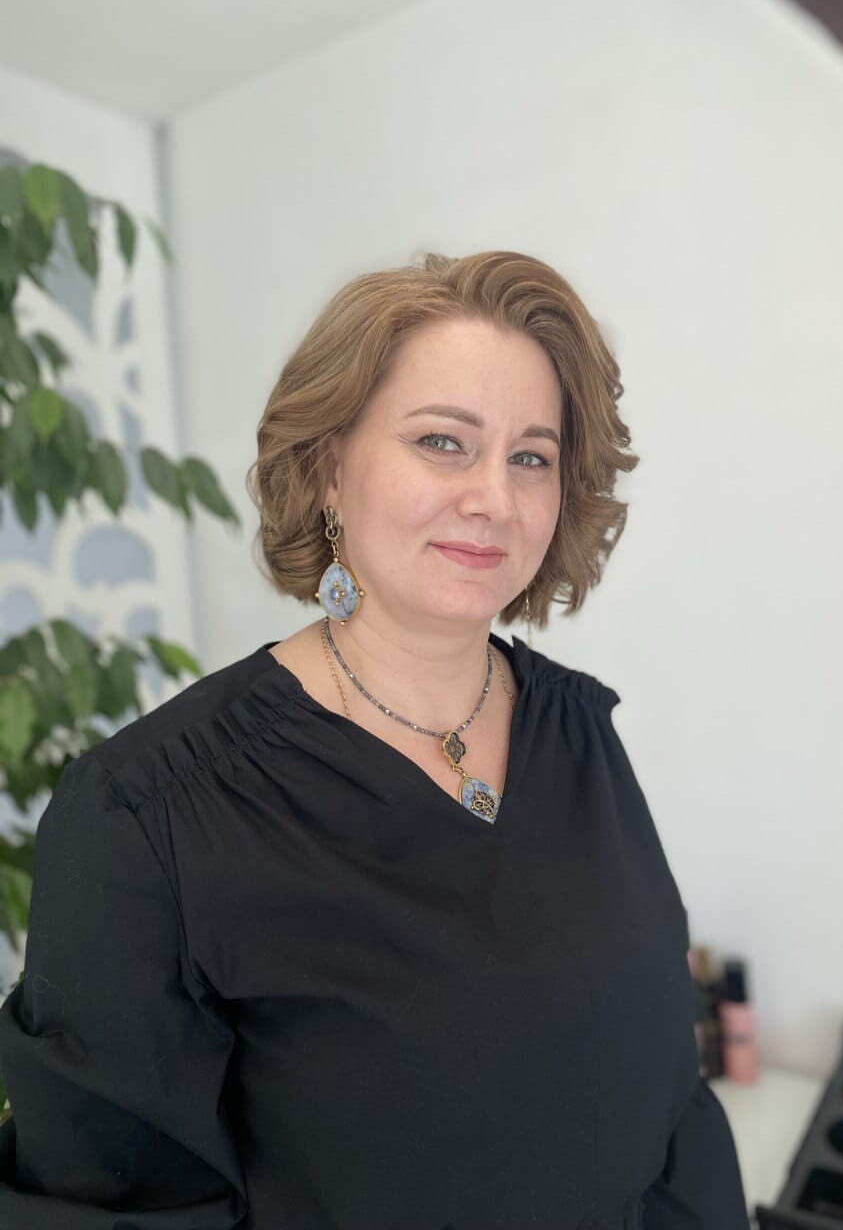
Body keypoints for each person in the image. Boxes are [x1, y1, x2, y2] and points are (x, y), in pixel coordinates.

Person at [0, 250, 750, 1228]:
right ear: (327, 470)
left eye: (531, 456)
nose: (494, 497)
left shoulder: (578, 732)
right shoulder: (149, 817)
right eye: (443, 441)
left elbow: (667, 1100)